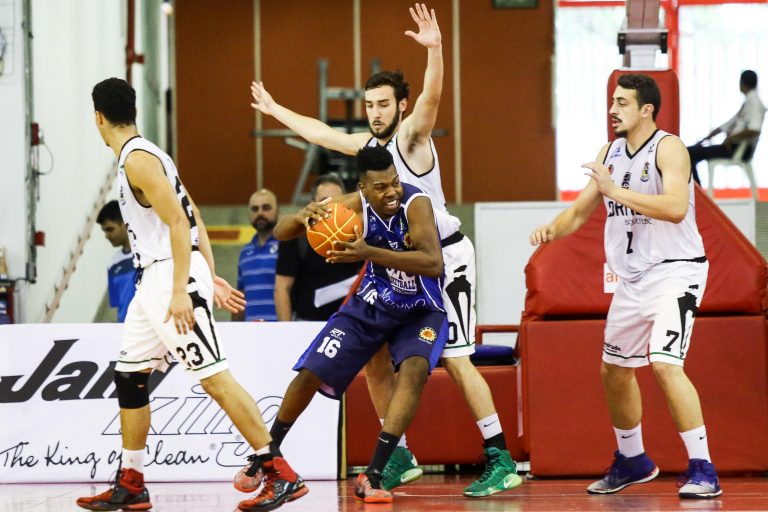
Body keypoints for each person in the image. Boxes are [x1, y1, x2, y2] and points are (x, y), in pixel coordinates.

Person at [249, 3, 520, 496]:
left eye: (383, 104)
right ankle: (399, 457)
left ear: (400, 106)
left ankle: (500, 457)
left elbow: (433, 97)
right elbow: (321, 132)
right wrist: (275, 110)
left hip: (443, 259)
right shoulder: (370, 151)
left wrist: (435, 50)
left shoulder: (413, 139)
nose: (375, 112)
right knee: (374, 359)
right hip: (397, 268)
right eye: (369, 104)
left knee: (457, 357)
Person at [78, 77, 306, 512]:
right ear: (134, 112)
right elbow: (193, 211)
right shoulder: (151, 154)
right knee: (129, 376)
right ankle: (132, 482)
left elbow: (180, 223)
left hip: (169, 275)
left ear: (98, 118)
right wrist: (210, 274)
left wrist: (185, 284)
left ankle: (280, 473)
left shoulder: (137, 161)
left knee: (214, 377)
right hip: (157, 277)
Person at [530, 73, 722, 500]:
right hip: (632, 280)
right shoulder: (610, 153)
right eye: (612, 101)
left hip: (676, 272)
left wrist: (615, 190)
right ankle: (633, 459)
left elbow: (675, 207)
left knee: (665, 364)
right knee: (614, 370)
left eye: (622, 103)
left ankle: (703, 467)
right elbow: (580, 211)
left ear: (646, 109)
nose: (612, 109)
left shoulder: (669, 148)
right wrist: (552, 230)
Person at [239, 145, 447, 505]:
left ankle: (374, 473)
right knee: (311, 371)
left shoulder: (416, 203)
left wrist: (368, 252)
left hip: (420, 308)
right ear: (363, 189)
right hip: (373, 303)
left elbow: (433, 263)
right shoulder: (352, 204)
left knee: (414, 370)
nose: (392, 192)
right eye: (381, 187)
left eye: (394, 182)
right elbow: (281, 233)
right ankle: (265, 457)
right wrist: (303, 215)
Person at [274, 174, 362, 321]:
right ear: (312, 203)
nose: (330, 206)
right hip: (307, 323)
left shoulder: (356, 229)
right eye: (324, 201)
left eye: (337, 200)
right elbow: (282, 287)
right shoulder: (299, 233)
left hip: (350, 322)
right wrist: (286, 329)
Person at [688, 70, 766, 184]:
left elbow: (754, 130)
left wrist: (731, 137)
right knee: (691, 152)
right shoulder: (748, 103)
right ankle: (697, 189)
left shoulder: (754, 103)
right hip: (731, 146)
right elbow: (726, 126)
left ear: (742, 83)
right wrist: (705, 139)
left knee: (689, 153)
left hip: (738, 149)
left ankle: (696, 190)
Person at [234, 189, 279, 322]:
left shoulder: (287, 247)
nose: (260, 213)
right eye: (255, 209)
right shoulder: (245, 253)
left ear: (278, 211)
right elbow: (241, 295)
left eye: (266, 208)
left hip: (282, 329)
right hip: (250, 331)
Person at [96, 200, 136, 322]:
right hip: (124, 328)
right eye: (104, 231)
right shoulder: (113, 264)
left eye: (110, 229)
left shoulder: (149, 254)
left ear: (125, 224)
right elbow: (118, 305)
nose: (106, 236)